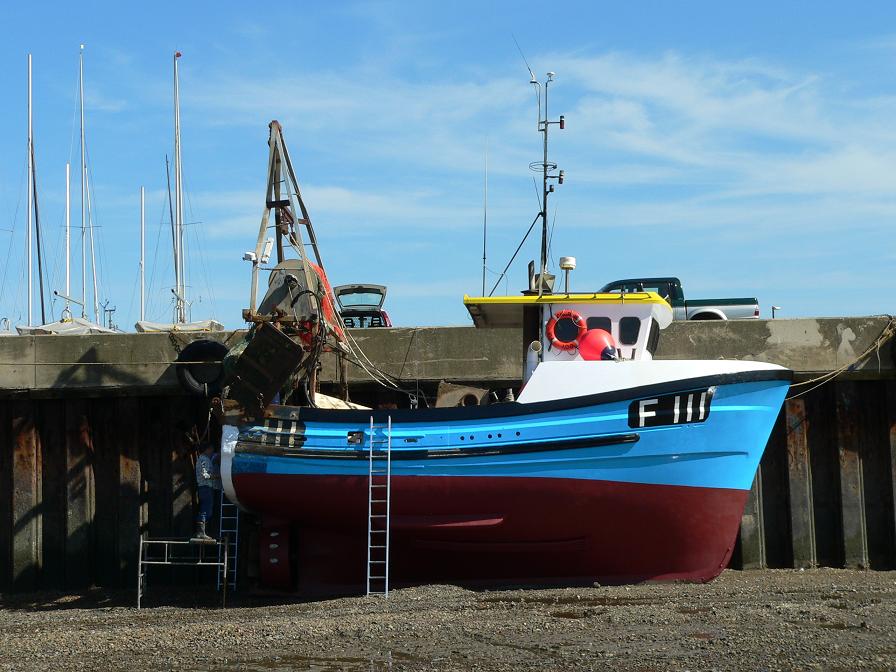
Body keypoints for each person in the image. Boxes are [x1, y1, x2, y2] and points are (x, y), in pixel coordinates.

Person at [192, 442, 220, 543]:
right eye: (211, 449)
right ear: (207, 449)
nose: (212, 451)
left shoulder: (205, 459)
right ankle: (200, 532)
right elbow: (205, 474)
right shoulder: (203, 459)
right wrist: (217, 477)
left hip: (206, 487)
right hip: (205, 487)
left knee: (208, 509)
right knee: (205, 508)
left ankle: (202, 532)